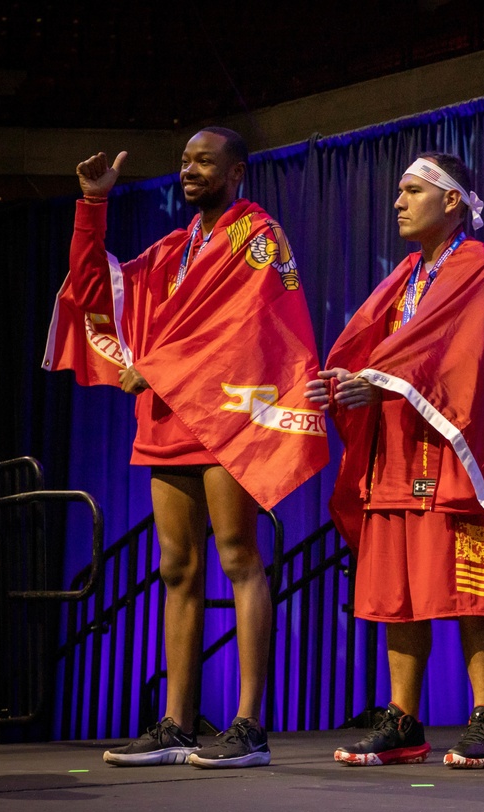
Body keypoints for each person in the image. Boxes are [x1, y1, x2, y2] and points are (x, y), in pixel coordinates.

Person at [43, 127, 329, 767]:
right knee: (177, 569)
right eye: (184, 160)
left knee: (238, 557)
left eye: (205, 160)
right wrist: (93, 206)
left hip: (225, 415)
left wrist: (163, 365)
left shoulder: (257, 235)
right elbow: (95, 291)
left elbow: (246, 323)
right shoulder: (175, 247)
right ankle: (176, 725)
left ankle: (249, 726)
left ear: (237, 173)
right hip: (168, 421)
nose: (190, 169)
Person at [305, 152, 484, 769]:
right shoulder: (406, 277)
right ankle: (404, 720)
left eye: (411, 190)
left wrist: (379, 378)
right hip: (394, 456)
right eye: (397, 192)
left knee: (467, 593)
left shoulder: (480, 267)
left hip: (451, 455)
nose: (398, 202)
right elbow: (379, 349)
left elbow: (464, 359)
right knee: (396, 596)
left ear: (452, 201)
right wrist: (344, 381)